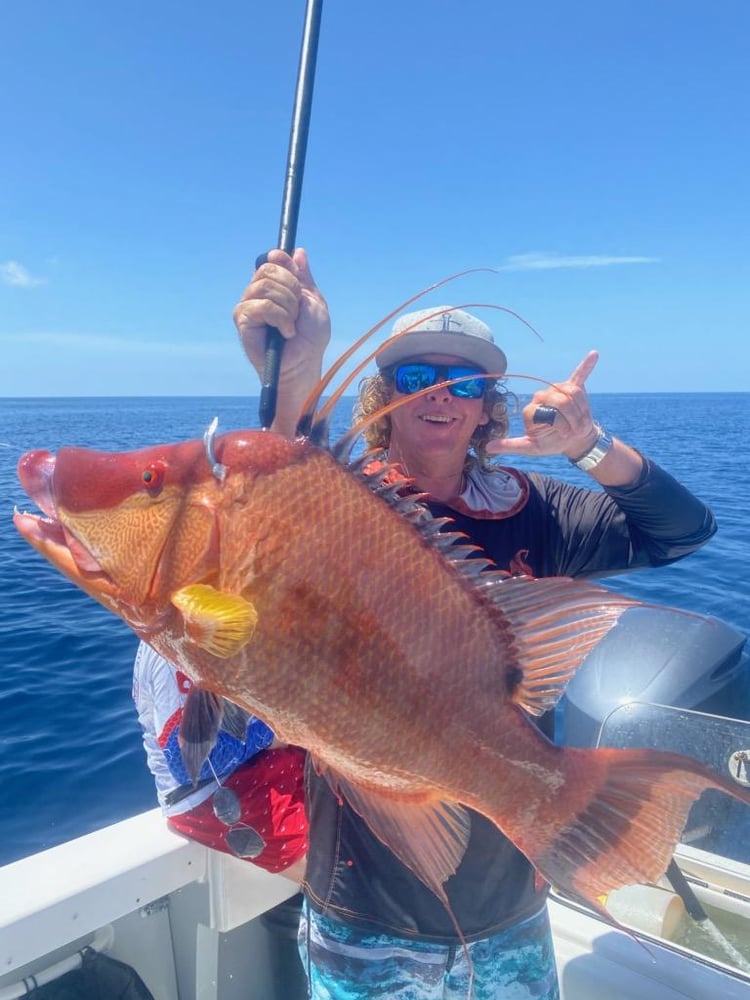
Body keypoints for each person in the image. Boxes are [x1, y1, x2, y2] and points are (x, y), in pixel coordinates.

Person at [233, 249, 717, 999]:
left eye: (464, 382)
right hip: (366, 907)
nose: (440, 395)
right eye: (416, 377)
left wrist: (587, 446)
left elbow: (680, 533)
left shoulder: (539, 509)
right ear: (384, 393)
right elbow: (274, 477)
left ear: (488, 403)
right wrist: (296, 371)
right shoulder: (330, 506)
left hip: (512, 901)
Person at [133, 640, 308, 881]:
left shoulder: (208, 632)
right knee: (329, 870)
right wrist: (272, 734)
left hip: (257, 759)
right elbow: (188, 765)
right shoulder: (170, 654)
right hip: (206, 793)